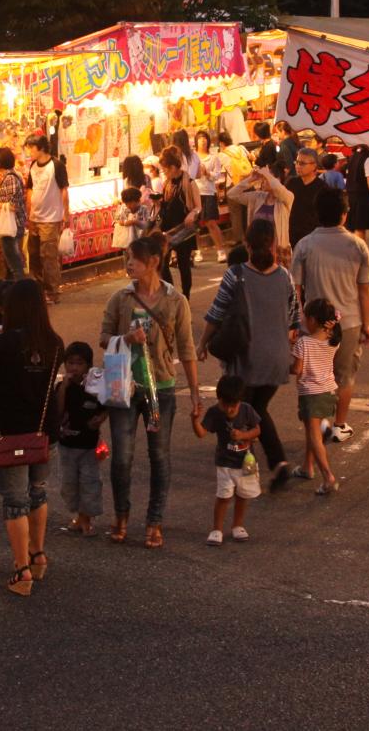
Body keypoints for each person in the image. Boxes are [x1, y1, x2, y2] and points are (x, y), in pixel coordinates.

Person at [98, 234, 201, 549]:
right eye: (127, 258)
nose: (129, 264)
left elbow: (186, 349)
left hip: (163, 388)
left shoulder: (175, 301)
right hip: (125, 388)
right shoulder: (120, 299)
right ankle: (121, 516)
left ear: (153, 262)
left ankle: (154, 521)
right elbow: (104, 337)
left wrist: (196, 392)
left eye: (134, 259)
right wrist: (126, 340)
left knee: (159, 456)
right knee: (122, 457)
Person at [0, 280, 65, 597]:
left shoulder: (2, 343)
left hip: (11, 433)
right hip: (44, 431)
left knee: (15, 502)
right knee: (38, 491)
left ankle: (21, 569)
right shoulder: (55, 343)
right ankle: (38, 557)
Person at [200, 217, 298, 489]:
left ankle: (249, 468)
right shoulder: (285, 277)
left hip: (247, 359)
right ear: (274, 244)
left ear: (246, 243)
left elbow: (216, 313)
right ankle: (277, 463)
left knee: (245, 413)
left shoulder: (236, 274)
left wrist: (201, 344)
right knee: (257, 410)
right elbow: (294, 319)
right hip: (277, 359)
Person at [289, 189, 369, 444]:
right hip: (348, 321)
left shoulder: (305, 244)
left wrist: (296, 323)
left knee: (315, 376)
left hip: (313, 324)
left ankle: (319, 423)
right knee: (344, 375)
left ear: (317, 214)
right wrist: (367, 325)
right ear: (344, 215)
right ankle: (339, 424)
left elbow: (295, 289)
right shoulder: (357, 245)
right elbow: (365, 290)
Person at [193, 373, 261, 545]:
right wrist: (195, 420)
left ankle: (237, 525)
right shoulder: (215, 412)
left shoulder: (246, 410)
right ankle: (217, 529)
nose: (230, 409)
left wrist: (243, 435)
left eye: (234, 405)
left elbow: (257, 430)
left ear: (240, 401)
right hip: (225, 462)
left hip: (246, 462)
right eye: (226, 405)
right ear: (219, 399)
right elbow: (201, 433)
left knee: (242, 495)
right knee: (223, 496)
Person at [291, 298, 342, 494]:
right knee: (311, 431)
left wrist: (284, 366)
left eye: (305, 317)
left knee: (314, 436)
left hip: (310, 393)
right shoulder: (333, 341)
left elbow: (297, 369)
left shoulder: (303, 343)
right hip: (328, 391)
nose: (303, 320)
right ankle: (307, 466)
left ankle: (328, 476)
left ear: (312, 319)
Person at [56, 341, 104, 536]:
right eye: (70, 363)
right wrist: (63, 388)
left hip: (88, 445)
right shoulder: (62, 386)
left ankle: (86, 518)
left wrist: (100, 418)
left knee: (89, 482)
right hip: (66, 445)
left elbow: (106, 405)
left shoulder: (94, 387)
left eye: (79, 364)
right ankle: (78, 515)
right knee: (69, 484)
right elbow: (57, 411)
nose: (74, 368)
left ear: (89, 366)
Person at [23, 134, 70, 304]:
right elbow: (30, 189)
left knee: (48, 256)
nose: (29, 151)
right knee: (34, 255)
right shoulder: (33, 166)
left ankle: (53, 292)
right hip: (35, 217)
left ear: (41, 148)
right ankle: (38, 291)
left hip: (51, 218)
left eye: (31, 147)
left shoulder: (56, 165)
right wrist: (29, 213)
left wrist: (66, 213)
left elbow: (64, 189)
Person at [227, 156, 293, 264]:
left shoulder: (287, 198)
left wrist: (266, 174)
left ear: (279, 179)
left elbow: (278, 188)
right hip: (256, 252)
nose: (265, 180)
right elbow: (232, 194)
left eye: (270, 178)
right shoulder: (258, 197)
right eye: (264, 179)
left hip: (278, 251)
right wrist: (250, 179)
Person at [156, 146, 202, 298]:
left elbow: (198, 206)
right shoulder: (167, 183)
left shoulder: (189, 182)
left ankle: (185, 297)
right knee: (162, 262)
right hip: (169, 228)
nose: (164, 172)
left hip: (184, 229)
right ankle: (171, 294)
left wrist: (193, 213)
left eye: (165, 169)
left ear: (173, 167)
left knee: (183, 264)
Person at [0, 146, 27, 281]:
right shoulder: (13, 175)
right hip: (15, 224)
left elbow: (13, 206)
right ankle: (14, 292)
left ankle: (21, 291)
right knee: (12, 263)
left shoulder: (10, 178)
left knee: (14, 264)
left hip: (12, 225)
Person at [195, 129, 229, 263]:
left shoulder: (214, 157)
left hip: (208, 192)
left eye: (204, 139)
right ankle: (197, 250)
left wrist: (207, 173)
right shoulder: (193, 157)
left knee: (211, 223)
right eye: (200, 138)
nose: (202, 141)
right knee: (195, 225)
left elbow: (217, 175)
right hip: (195, 192)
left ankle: (220, 250)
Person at [286, 147, 328, 250]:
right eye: (297, 162)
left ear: (314, 166)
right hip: (291, 235)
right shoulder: (291, 183)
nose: (298, 166)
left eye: (302, 163)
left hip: (313, 238)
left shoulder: (322, 188)